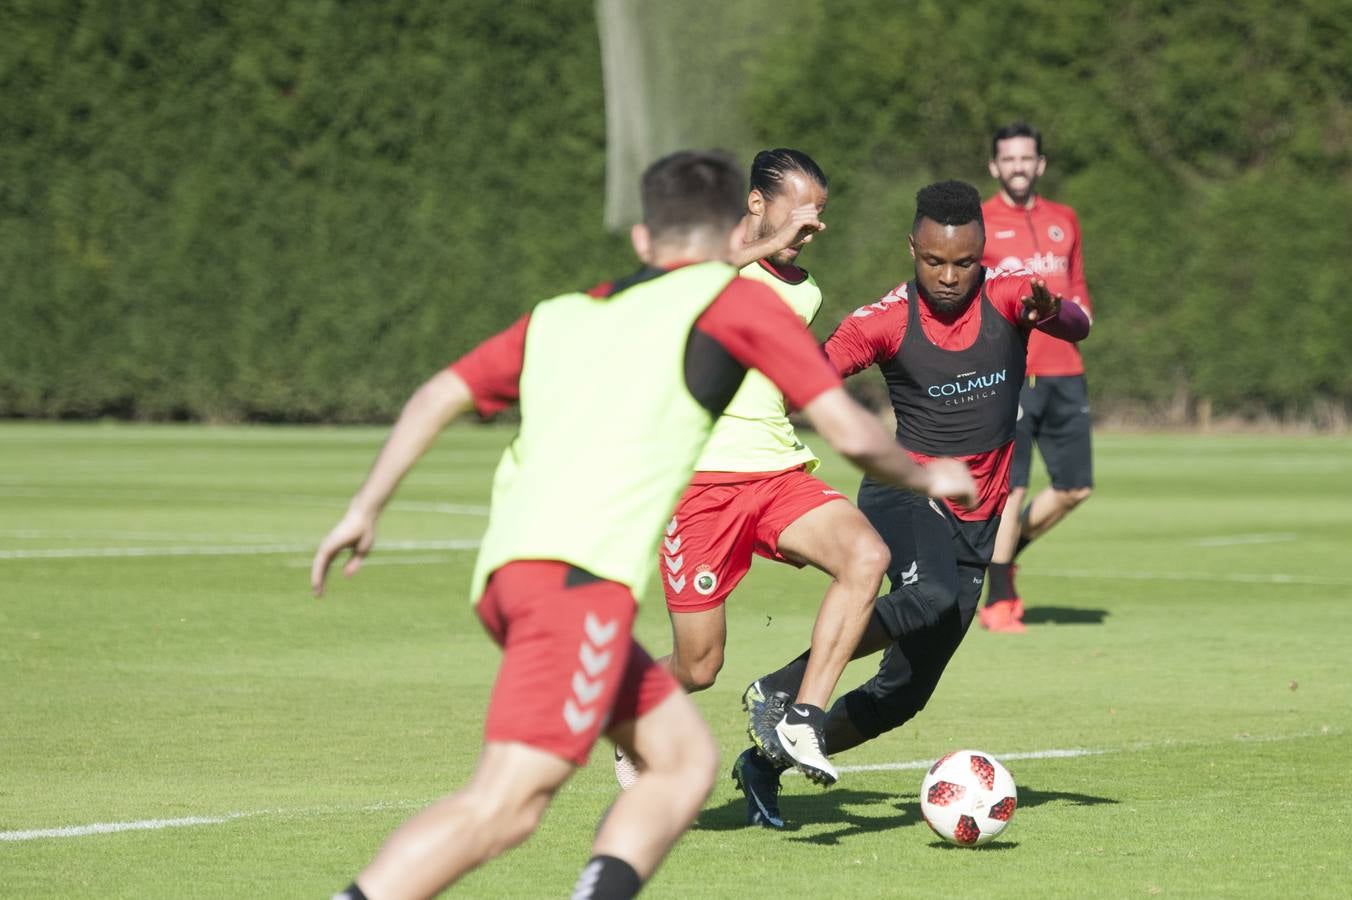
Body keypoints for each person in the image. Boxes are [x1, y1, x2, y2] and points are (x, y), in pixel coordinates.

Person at [311, 150, 975, 900]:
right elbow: (850, 436)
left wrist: (363, 509)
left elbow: (437, 393)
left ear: (639, 239)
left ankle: (794, 721)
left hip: (508, 574)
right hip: (572, 585)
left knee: (683, 765)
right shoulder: (739, 307)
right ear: (740, 219)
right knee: (501, 808)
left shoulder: (564, 313)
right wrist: (927, 475)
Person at [732, 180, 1090, 829]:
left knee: (902, 697)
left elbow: (1080, 325)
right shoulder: (884, 320)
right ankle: (781, 689)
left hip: (977, 524)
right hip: (904, 493)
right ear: (912, 249)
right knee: (929, 597)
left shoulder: (1012, 297)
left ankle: (764, 764)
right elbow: (806, 374)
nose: (949, 276)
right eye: (933, 261)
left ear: (981, 253)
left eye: (963, 262)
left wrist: (1054, 312)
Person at [613, 149, 894, 801]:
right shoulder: (709, 260)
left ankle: (803, 718)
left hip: (775, 471)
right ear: (757, 204)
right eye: (798, 211)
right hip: (700, 487)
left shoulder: (809, 291)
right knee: (700, 664)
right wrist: (763, 244)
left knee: (866, 554)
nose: (810, 227)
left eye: (819, 214)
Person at [979, 122, 1096, 633]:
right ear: (995, 167)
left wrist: (1084, 317)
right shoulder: (980, 221)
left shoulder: (1064, 219)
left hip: (1065, 368)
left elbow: (1078, 283)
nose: (1018, 167)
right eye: (1009, 159)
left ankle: (998, 555)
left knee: (1075, 488)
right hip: (1012, 372)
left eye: (1027, 158)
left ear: (1040, 164)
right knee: (1016, 488)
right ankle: (1000, 601)